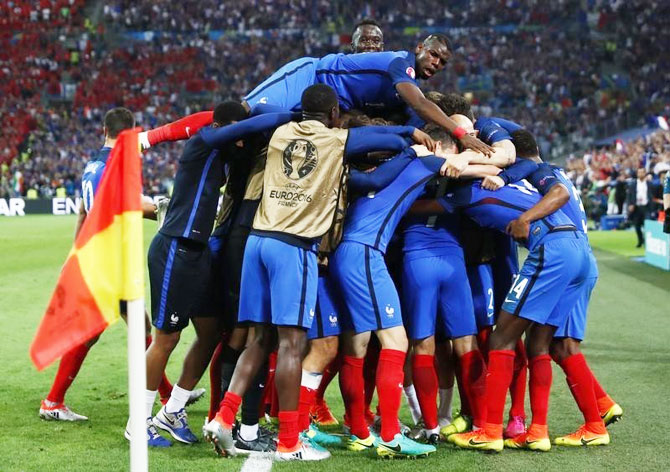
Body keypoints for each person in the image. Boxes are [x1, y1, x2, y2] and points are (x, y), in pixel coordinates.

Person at [204, 84, 431, 461]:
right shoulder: (333, 141)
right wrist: (408, 136)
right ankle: (290, 442)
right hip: (293, 246)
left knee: (259, 340)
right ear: (334, 114)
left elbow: (270, 111)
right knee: (293, 344)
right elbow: (371, 140)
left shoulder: (279, 133)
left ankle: (223, 417)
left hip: (257, 242)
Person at [139, 102, 299, 447]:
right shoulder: (203, 141)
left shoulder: (227, 156)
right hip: (175, 249)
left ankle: (173, 411)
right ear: (224, 126)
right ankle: (138, 421)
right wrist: (296, 115)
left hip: (197, 252)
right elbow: (231, 129)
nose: (241, 143)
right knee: (166, 338)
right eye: (238, 134)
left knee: (211, 333)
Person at [38, 108, 199, 425]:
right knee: (97, 331)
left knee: (137, 327)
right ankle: (53, 401)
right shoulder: (115, 165)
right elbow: (132, 204)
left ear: (103, 130)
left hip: (99, 255)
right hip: (108, 257)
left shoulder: (92, 164)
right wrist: (168, 210)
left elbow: (84, 211)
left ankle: (166, 394)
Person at [242, 35, 493, 155]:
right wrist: (460, 133)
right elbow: (420, 103)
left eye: (442, 62)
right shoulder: (400, 63)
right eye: (433, 55)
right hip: (309, 76)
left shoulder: (404, 88)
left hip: (326, 110)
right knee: (246, 111)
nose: (436, 63)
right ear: (419, 48)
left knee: (271, 126)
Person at [627, 168, 654, 247]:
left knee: (647, 224)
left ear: (645, 173)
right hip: (637, 207)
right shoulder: (633, 184)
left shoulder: (649, 184)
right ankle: (640, 240)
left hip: (646, 207)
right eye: (639, 172)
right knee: (637, 226)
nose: (641, 174)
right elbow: (629, 195)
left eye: (642, 172)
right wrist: (630, 204)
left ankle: (648, 241)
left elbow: (652, 195)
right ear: (637, 174)